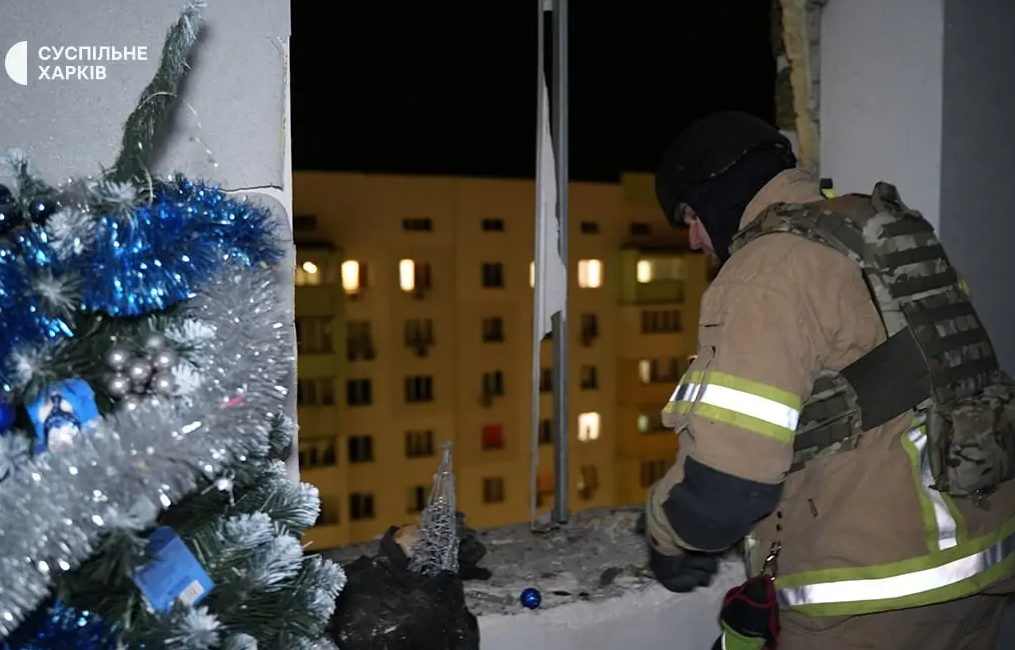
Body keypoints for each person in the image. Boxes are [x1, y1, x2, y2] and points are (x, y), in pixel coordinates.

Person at [643, 110, 1015, 650]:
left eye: (690, 217)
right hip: (978, 570)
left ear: (717, 192)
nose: (694, 240)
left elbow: (728, 488)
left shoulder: (764, 272)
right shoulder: (881, 231)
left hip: (872, 599)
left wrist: (664, 533)